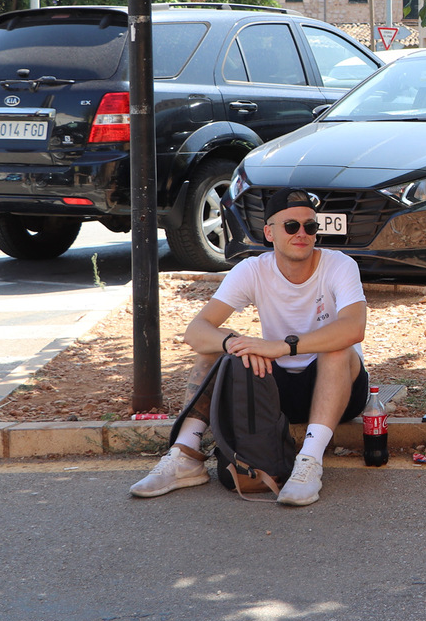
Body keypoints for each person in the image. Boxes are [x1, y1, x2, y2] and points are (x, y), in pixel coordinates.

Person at [129, 187, 370, 506]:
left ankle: (309, 461)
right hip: (276, 390)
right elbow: (196, 331)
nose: (302, 233)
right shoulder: (253, 269)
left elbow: (354, 328)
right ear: (269, 233)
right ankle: (185, 454)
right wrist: (233, 343)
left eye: (310, 226)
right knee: (216, 346)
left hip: (340, 387)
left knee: (338, 348)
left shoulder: (339, 265)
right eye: (291, 226)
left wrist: (282, 347)